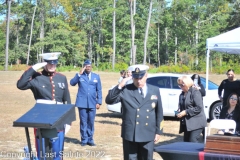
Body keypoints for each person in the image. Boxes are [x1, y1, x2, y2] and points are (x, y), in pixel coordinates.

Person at [17, 52, 71, 160]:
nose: (52, 66)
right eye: (49, 63)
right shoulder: (36, 77)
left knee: (57, 154)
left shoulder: (62, 78)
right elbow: (20, 85)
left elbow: (67, 100)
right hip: (41, 120)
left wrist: (68, 121)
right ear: (44, 64)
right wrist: (33, 68)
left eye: (54, 63)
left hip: (58, 120)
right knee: (42, 154)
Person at [105, 64, 164, 160]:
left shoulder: (154, 90)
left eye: (141, 78)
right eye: (136, 78)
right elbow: (109, 100)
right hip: (131, 134)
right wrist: (120, 85)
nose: (138, 81)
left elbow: (159, 112)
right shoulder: (126, 90)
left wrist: (158, 131)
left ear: (146, 76)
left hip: (148, 133)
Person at [70, 59, 102, 146]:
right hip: (82, 103)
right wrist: (79, 74)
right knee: (83, 122)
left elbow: (99, 90)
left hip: (92, 102)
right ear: (84, 67)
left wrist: (99, 101)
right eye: (86, 66)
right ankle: (84, 139)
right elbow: (72, 83)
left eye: (89, 66)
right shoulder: (80, 76)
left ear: (91, 67)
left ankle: (90, 139)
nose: (88, 68)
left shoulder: (96, 76)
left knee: (91, 122)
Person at [176, 75, 207, 142]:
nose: (181, 87)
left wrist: (186, 112)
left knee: (193, 141)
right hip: (187, 124)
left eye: (182, 85)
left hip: (197, 123)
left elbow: (199, 107)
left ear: (187, 83)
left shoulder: (195, 92)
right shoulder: (182, 94)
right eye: (179, 85)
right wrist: (179, 110)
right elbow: (183, 105)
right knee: (186, 143)